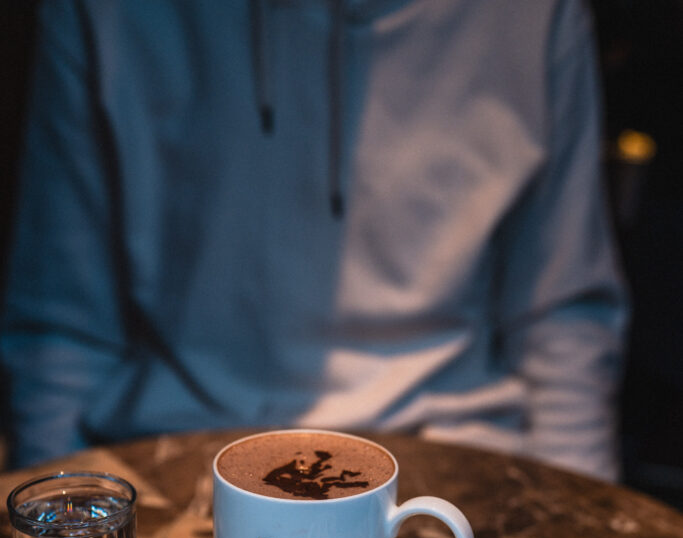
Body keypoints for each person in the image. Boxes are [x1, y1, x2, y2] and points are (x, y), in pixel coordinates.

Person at [0, 0, 627, 479]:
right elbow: (62, 330)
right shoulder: (108, 15)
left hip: (453, 461)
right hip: (170, 460)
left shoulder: (528, 16)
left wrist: (582, 531)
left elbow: (561, 318)